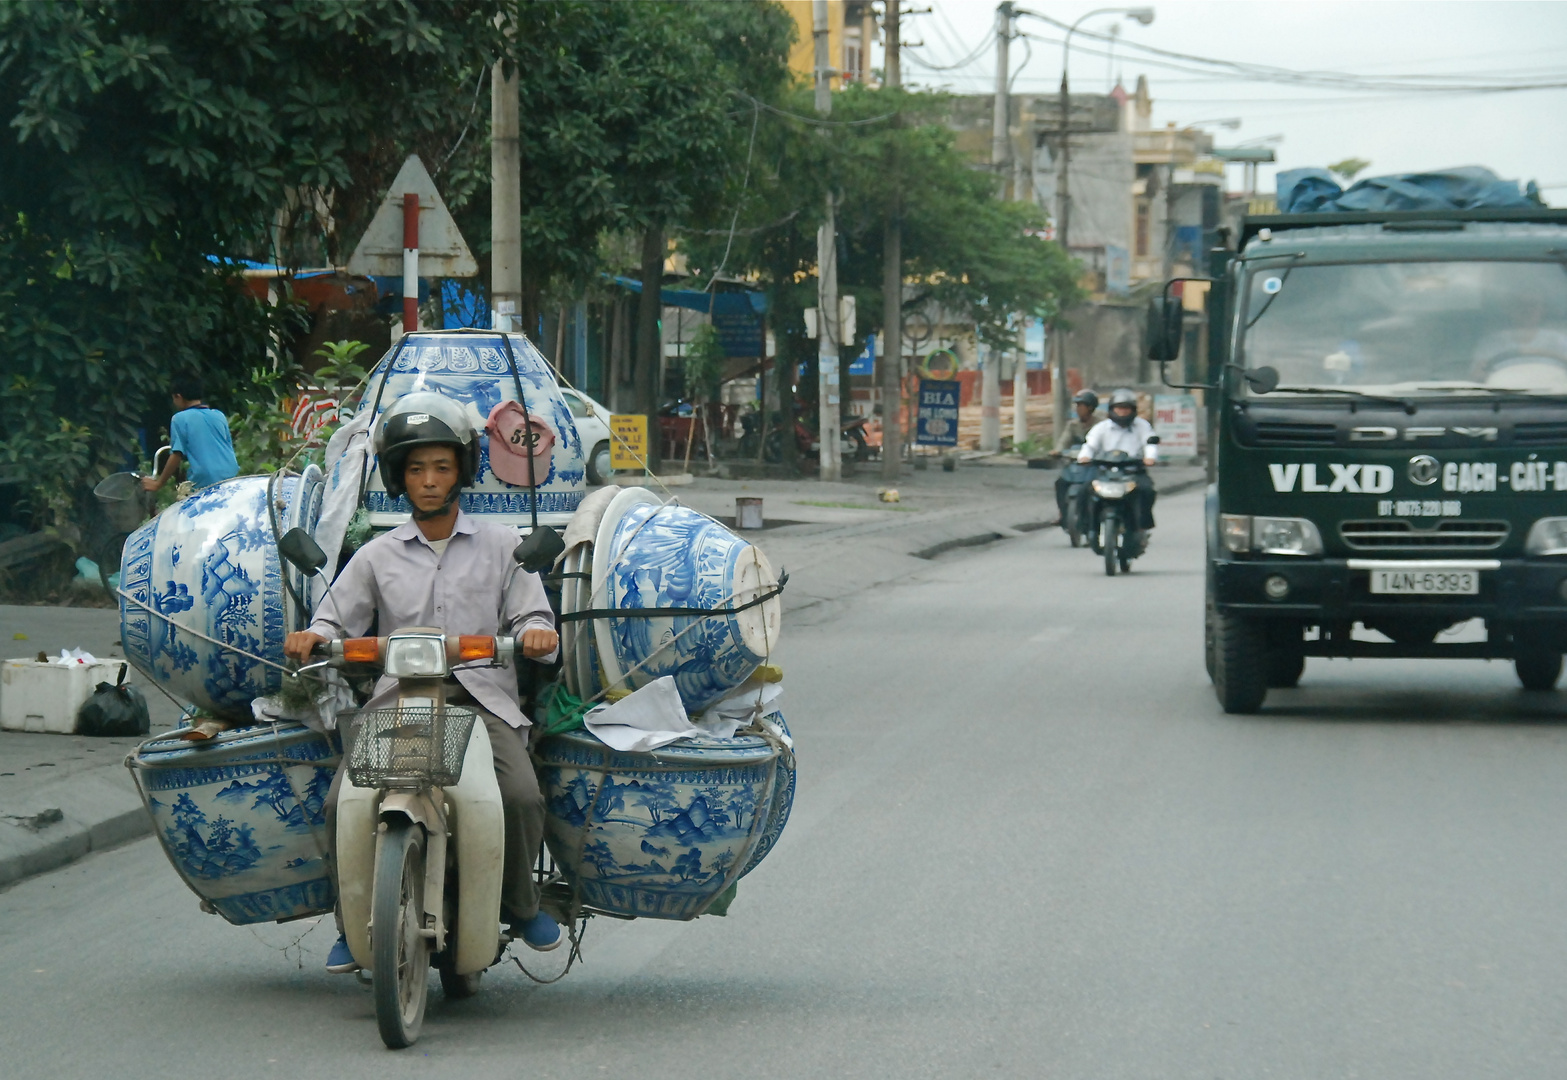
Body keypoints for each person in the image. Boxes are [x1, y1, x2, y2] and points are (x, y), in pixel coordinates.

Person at [282, 391, 562, 973]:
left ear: (461, 470)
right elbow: (336, 617)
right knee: (341, 804)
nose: (429, 481)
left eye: (441, 466)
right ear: (397, 477)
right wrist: (315, 634)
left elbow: (533, 614)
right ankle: (353, 921)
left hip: (481, 698)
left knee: (520, 795)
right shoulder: (376, 556)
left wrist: (536, 632)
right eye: (415, 469)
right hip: (402, 702)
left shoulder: (504, 545)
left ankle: (520, 905)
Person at [141, 373, 239, 494]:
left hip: (205, 478)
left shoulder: (180, 418)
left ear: (178, 396)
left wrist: (158, 483)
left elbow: (176, 454)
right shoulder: (219, 415)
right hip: (231, 474)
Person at [1077, 388, 1159, 530]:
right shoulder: (1101, 428)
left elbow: (1149, 443)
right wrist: (1084, 457)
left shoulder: (1142, 426)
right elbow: (1090, 445)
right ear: (1111, 409)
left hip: (1133, 471)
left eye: (1126, 408)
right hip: (1105, 472)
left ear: (1133, 410)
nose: (1122, 412)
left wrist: (1150, 458)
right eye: (1119, 408)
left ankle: (1143, 525)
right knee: (1084, 491)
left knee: (1147, 490)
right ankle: (1086, 525)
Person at [1053, 390, 1102, 524]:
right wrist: (1058, 450)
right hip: (1076, 462)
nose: (1078, 409)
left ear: (1091, 408)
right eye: (1077, 406)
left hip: (1094, 464)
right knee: (1061, 483)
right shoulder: (1073, 425)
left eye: (1081, 406)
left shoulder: (1101, 425)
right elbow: (1064, 440)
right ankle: (1063, 513)